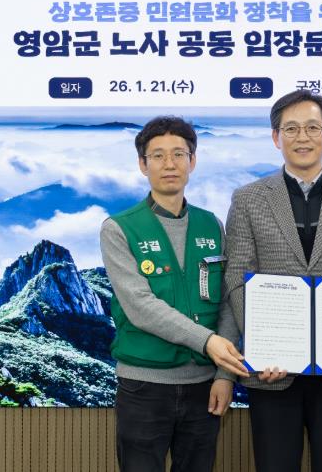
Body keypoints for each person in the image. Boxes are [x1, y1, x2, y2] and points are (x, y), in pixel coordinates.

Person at [224, 90, 322, 472]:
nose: (302, 137)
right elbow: (236, 276)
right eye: (291, 129)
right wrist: (261, 346)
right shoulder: (248, 199)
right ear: (276, 137)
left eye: (312, 127)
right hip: (272, 371)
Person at [100, 116, 249, 472]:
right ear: (143, 164)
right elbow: (140, 306)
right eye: (158, 155)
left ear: (192, 161)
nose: (170, 164)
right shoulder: (119, 228)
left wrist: (224, 375)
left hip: (204, 387)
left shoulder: (211, 224)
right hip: (143, 385)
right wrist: (208, 342)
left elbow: (228, 300)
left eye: (179, 154)